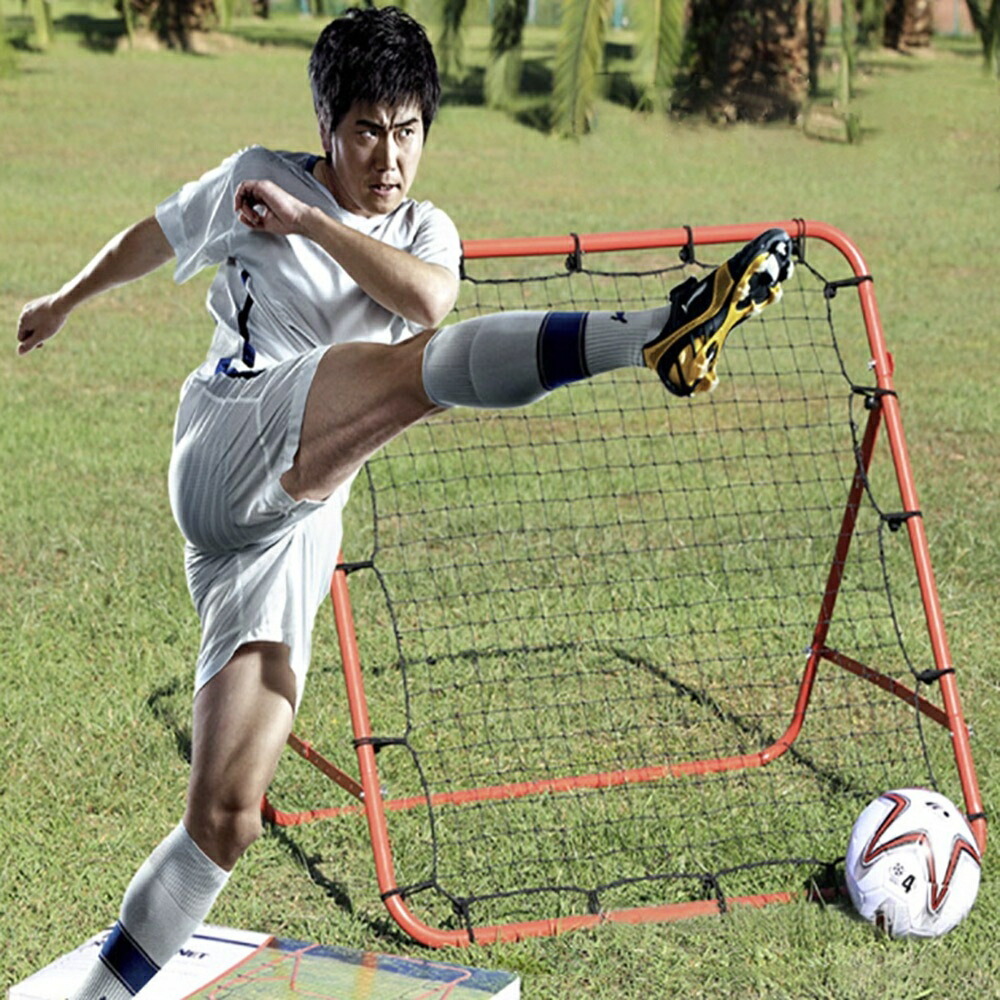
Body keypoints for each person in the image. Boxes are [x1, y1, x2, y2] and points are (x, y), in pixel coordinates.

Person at [15, 7, 792, 998]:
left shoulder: (425, 229)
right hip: (224, 444)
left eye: (409, 128)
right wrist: (65, 298)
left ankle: (99, 994)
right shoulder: (261, 174)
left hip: (292, 522)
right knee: (411, 376)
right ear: (328, 127)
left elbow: (430, 297)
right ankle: (651, 329)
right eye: (367, 130)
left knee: (227, 814)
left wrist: (314, 226)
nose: (389, 154)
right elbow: (155, 235)